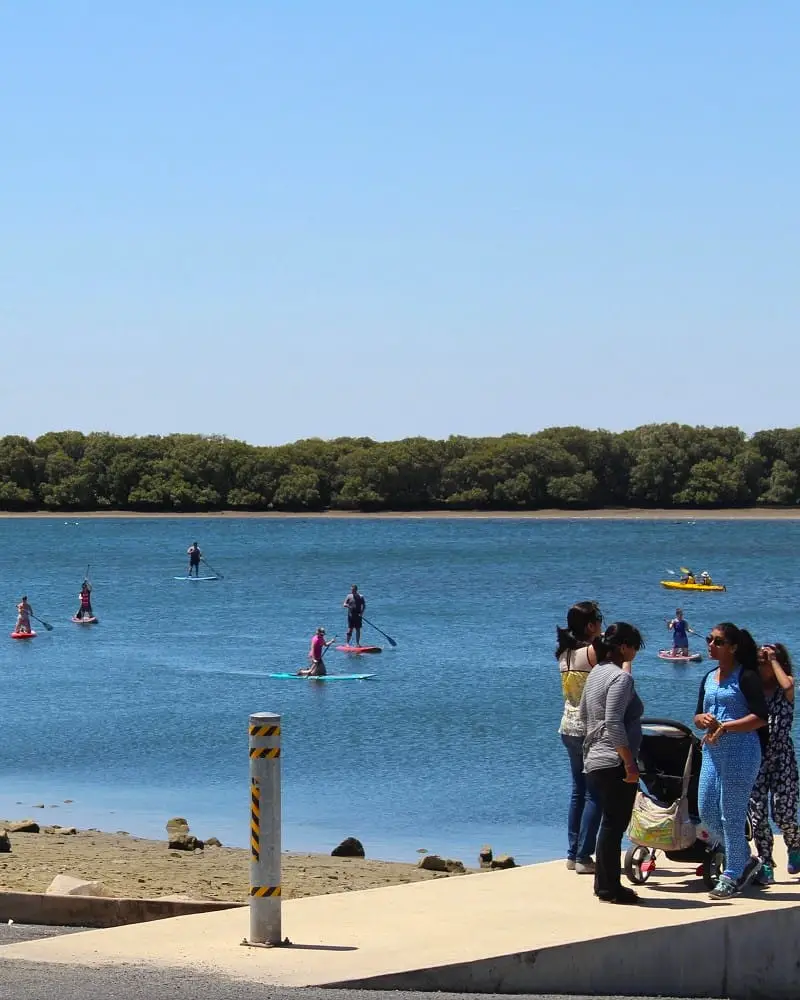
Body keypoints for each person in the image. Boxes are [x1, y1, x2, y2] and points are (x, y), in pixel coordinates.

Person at [694, 622, 768, 899]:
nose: (711, 645)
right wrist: (702, 720)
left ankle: (733, 872)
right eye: (710, 640)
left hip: (742, 751)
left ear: (733, 647)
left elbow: (760, 717)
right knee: (706, 810)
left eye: (718, 641)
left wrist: (727, 726)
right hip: (712, 752)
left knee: (731, 813)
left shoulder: (746, 677)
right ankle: (746, 859)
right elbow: (698, 715)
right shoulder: (709, 677)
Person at [580, 622, 645, 905]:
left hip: (594, 757)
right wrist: (629, 762)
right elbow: (614, 721)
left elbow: (584, 714)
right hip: (613, 759)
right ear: (623, 646)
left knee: (609, 824)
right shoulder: (620, 678)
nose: (635, 652)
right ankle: (610, 888)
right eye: (634, 646)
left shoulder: (595, 673)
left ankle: (604, 885)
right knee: (614, 826)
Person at [556, 601, 605, 874]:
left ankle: (572, 853)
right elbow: (617, 677)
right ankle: (585, 856)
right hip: (589, 729)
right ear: (590, 625)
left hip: (568, 727)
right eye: (598, 620)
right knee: (595, 794)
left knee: (578, 791)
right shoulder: (591, 652)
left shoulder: (563, 653)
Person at [749, 643, 800, 885]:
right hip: (757, 758)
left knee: (783, 814)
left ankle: (795, 845)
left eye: (766, 662)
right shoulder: (753, 691)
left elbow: (788, 685)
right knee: (757, 815)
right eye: (760, 661)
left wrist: (773, 660)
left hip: (782, 757)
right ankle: (766, 863)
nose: (763, 667)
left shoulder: (785, 687)